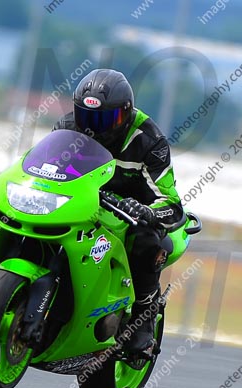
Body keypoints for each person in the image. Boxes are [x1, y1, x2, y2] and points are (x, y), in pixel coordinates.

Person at [54, 69, 184, 355]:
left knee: (146, 240)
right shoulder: (67, 127)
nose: (94, 127)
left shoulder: (150, 140)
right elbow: (45, 167)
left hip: (131, 211)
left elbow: (172, 204)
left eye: (104, 119)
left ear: (125, 113)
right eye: (87, 117)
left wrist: (146, 211)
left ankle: (143, 318)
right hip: (86, 202)